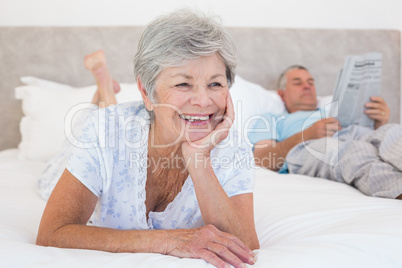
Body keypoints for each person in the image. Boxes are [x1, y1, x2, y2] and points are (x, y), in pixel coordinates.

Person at [36, 10, 259, 268]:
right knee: (59, 165)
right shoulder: (105, 130)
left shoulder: (234, 148)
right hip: (104, 133)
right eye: (183, 85)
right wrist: (167, 241)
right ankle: (103, 92)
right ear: (146, 91)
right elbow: (52, 233)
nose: (203, 101)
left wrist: (199, 160)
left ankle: (105, 92)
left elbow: (246, 248)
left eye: (215, 84)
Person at [248, 65, 402, 199]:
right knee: (356, 153)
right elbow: (262, 159)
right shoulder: (272, 119)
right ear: (281, 94)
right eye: (298, 83)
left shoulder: (332, 111)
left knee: (392, 132)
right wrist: (305, 135)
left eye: (311, 82)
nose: (307, 86)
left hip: (351, 134)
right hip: (307, 148)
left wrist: (379, 125)